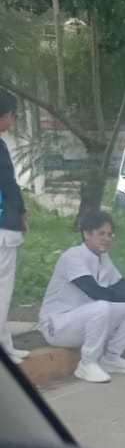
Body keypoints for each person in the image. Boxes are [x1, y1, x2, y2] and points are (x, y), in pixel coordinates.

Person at [37, 211, 125, 383]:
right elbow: (95, 292)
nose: (107, 238)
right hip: (57, 326)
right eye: (101, 234)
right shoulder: (73, 257)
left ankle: (111, 358)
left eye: (110, 234)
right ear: (87, 234)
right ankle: (87, 363)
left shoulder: (104, 259)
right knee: (102, 305)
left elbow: (121, 285)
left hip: (85, 321)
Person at [0, 89, 28, 364]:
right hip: (2, 227)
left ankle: (5, 343)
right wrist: (20, 212)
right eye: (12, 115)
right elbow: (8, 185)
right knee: (2, 290)